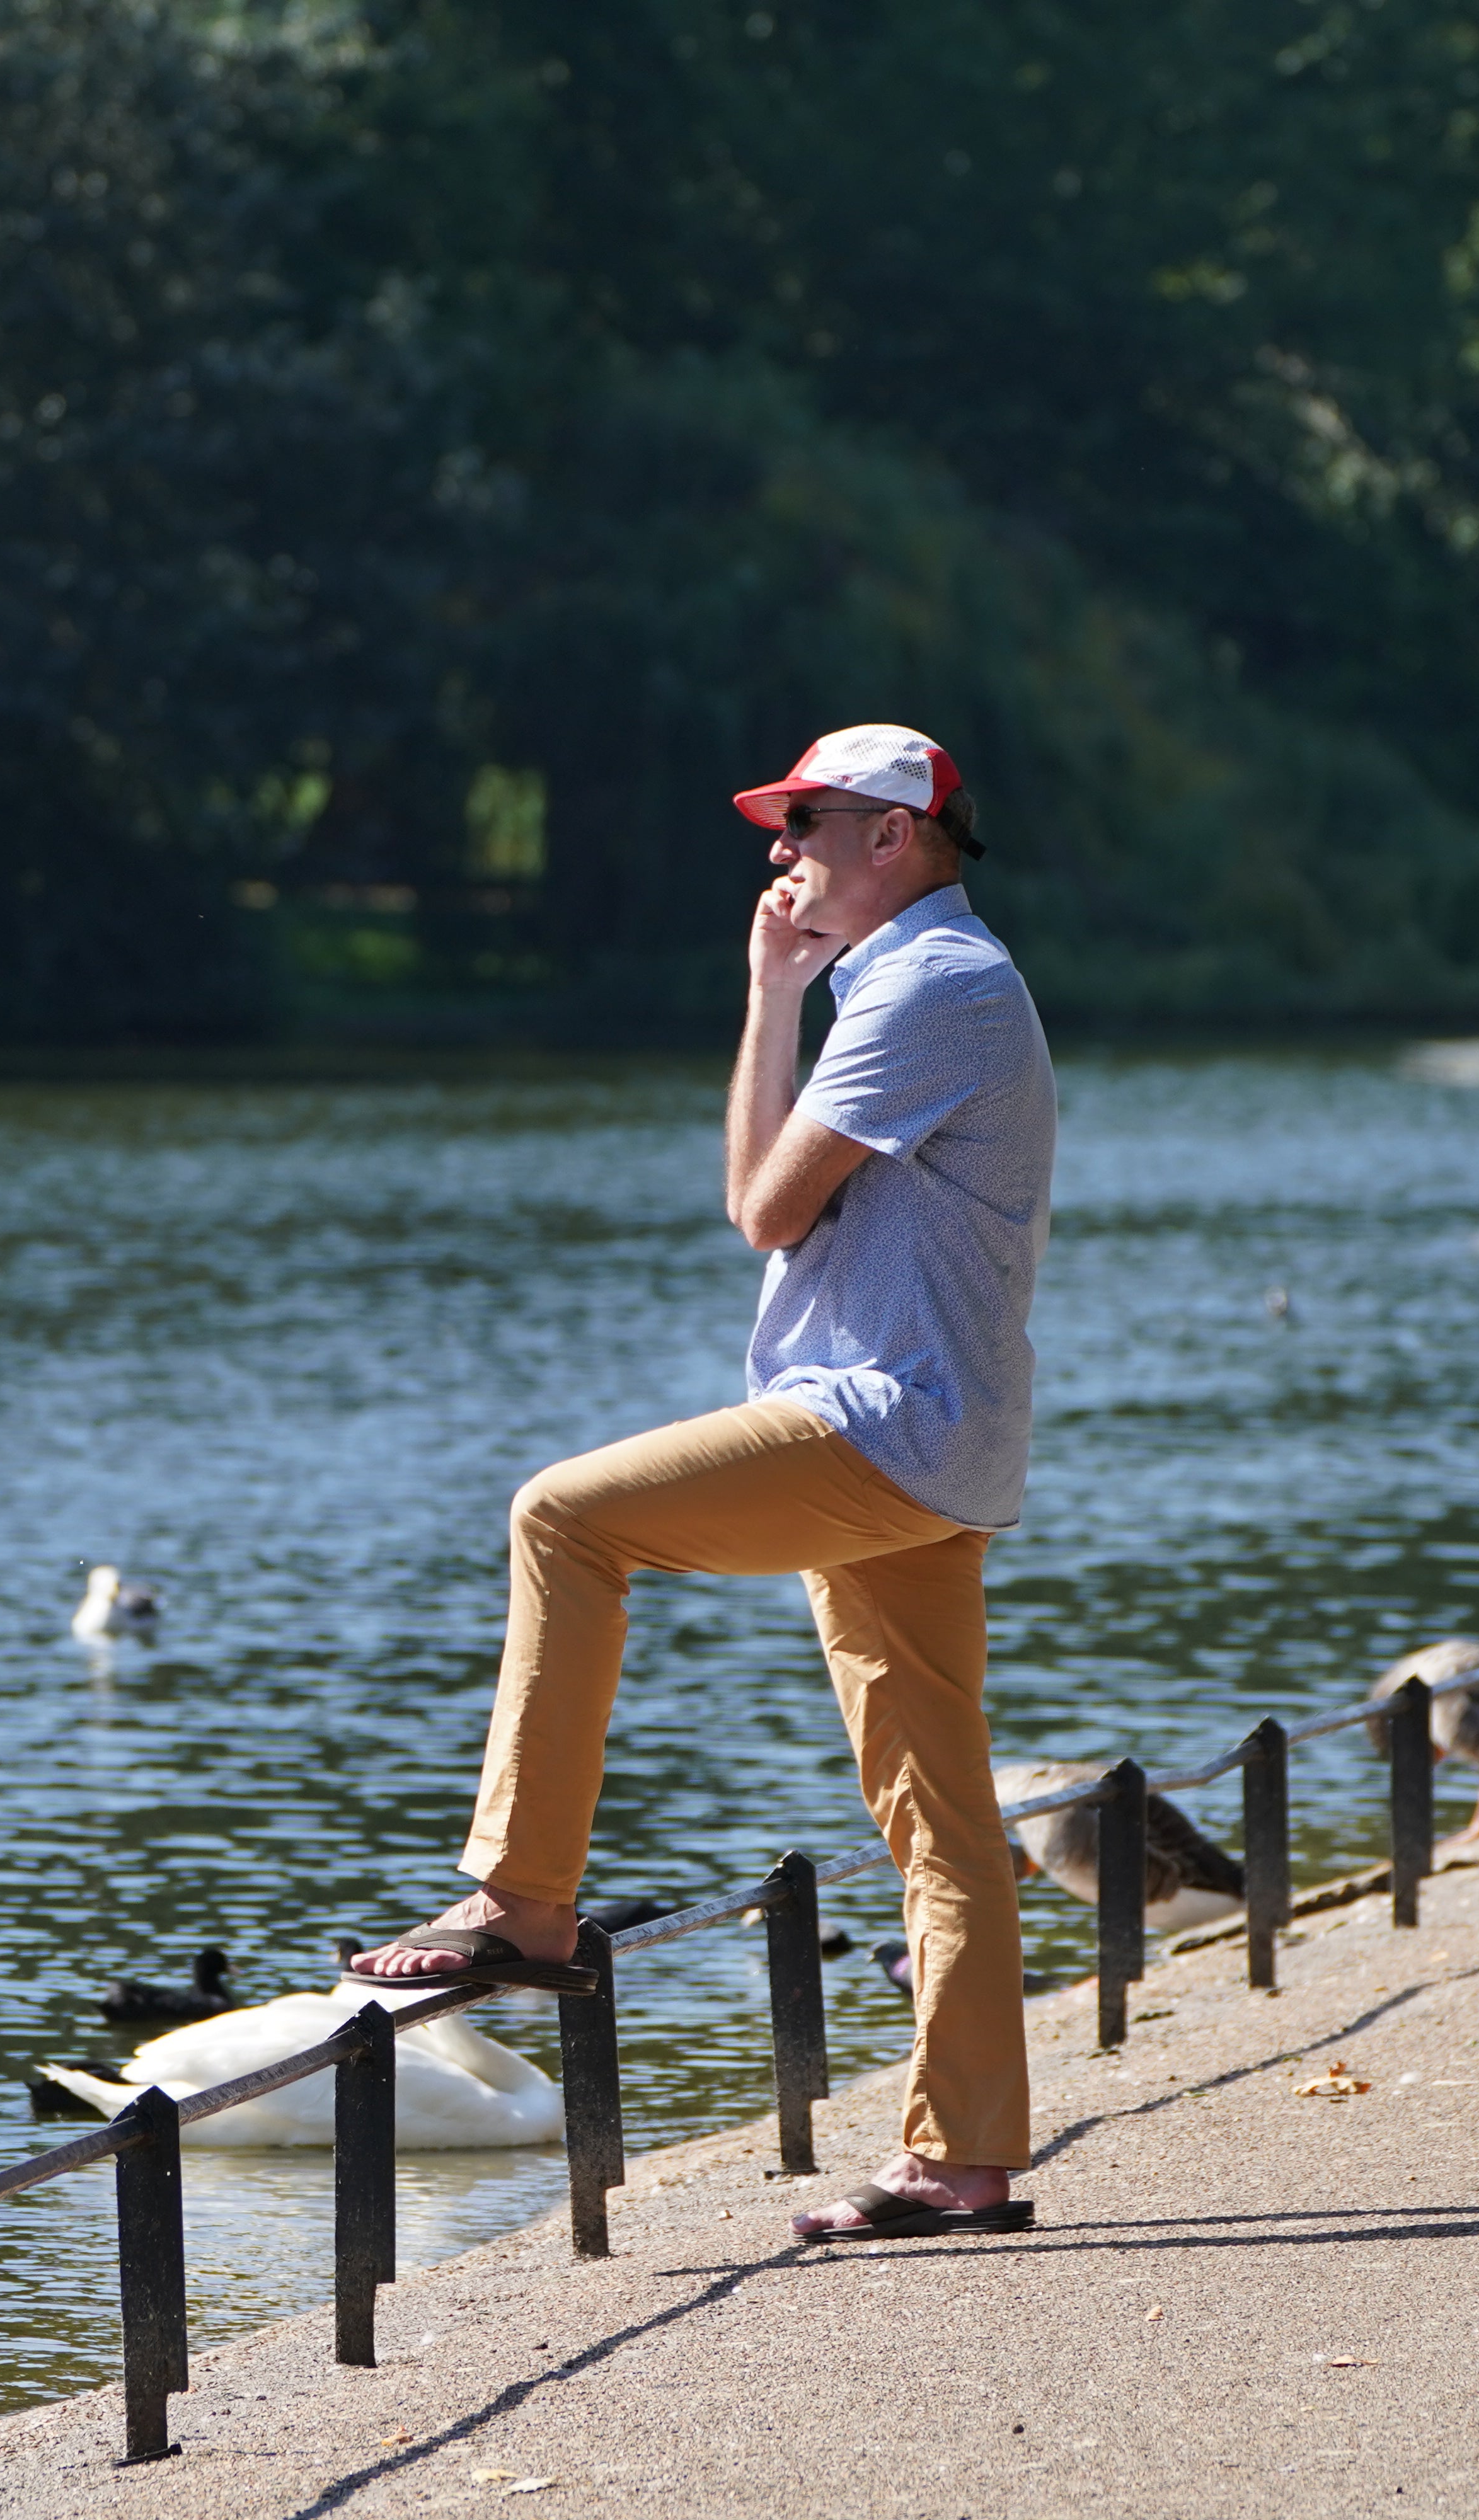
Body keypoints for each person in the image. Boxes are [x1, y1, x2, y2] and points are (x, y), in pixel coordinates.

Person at [347, 723, 1057, 2243]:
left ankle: (527, 1897)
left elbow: (757, 1207)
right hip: (938, 1437)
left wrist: (793, 1002)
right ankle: (967, 2159)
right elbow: (770, 1198)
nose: (779, 846)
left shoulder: (936, 982)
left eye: (807, 820)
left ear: (896, 835)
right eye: (780, 822)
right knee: (941, 1818)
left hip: (879, 1424)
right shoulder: (912, 980)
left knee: (565, 1515)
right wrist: (773, 992)